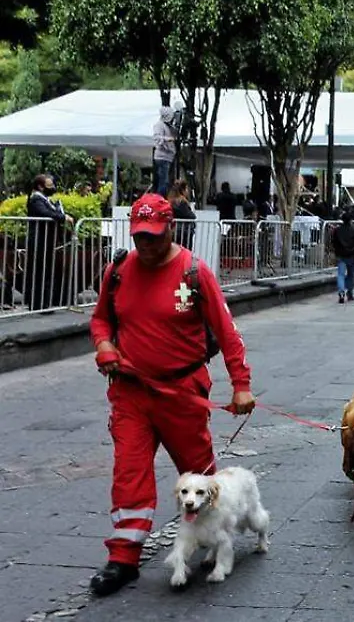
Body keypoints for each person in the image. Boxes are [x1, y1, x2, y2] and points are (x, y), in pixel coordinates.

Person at [88, 193, 254, 596]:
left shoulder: (195, 273)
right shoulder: (119, 271)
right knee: (129, 472)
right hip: (130, 392)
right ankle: (123, 558)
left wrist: (242, 383)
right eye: (140, 236)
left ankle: (213, 536)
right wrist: (104, 345)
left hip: (183, 393)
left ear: (172, 229)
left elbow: (227, 331)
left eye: (154, 237)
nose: (146, 245)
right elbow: (100, 320)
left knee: (200, 472)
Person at [24, 174, 75, 310]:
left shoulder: (45, 199)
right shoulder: (36, 200)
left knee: (46, 273)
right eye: (49, 185)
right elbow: (46, 214)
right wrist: (63, 217)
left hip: (46, 241)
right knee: (39, 273)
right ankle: (38, 305)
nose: (52, 188)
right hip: (38, 242)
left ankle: (44, 304)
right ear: (40, 187)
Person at [332, 210, 354, 304]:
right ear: (351, 220)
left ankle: (341, 291)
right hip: (352, 255)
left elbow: (333, 242)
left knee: (341, 274)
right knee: (351, 275)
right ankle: (350, 292)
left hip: (341, 255)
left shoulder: (337, 230)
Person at [152, 106, 177, 196]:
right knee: (163, 181)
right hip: (162, 157)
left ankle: (163, 197)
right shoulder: (159, 125)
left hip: (168, 157)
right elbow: (157, 138)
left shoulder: (168, 126)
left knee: (166, 181)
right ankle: (159, 198)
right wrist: (168, 139)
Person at [167, 179, 196, 250]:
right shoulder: (181, 202)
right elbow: (191, 216)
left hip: (176, 231)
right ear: (183, 190)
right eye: (186, 189)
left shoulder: (171, 201)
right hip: (183, 232)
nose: (187, 191)